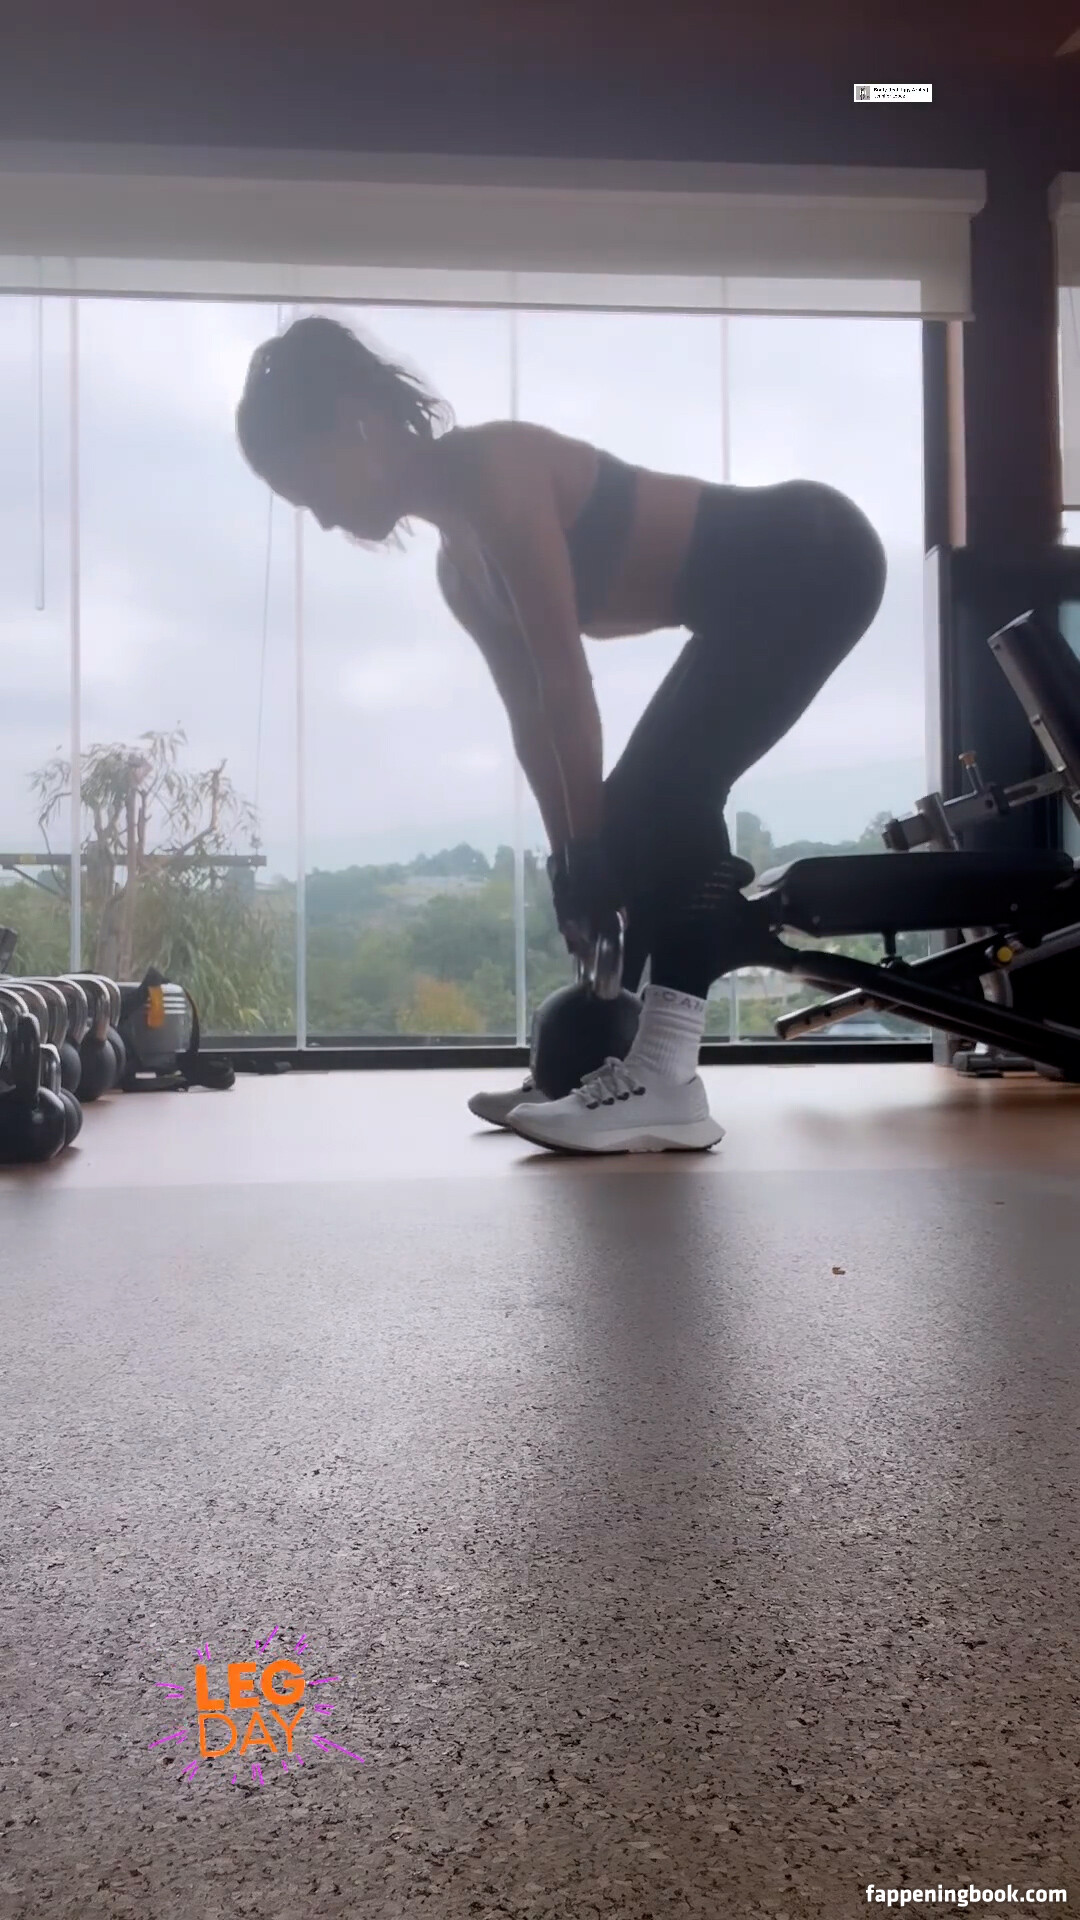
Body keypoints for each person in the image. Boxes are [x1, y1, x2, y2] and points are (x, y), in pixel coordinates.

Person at [236, 315, 887, 1154]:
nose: (324, 519)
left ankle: (666, 1082)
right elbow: (530, 719)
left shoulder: (494, 471)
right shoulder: (457, 570)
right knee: (628, 818)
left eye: (311, 486)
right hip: (745, 605)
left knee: (662, 797)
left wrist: (590, 850)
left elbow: (563, 679)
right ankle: (588, 1069)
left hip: (813, 557)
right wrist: (570, 865)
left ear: (357, 426)